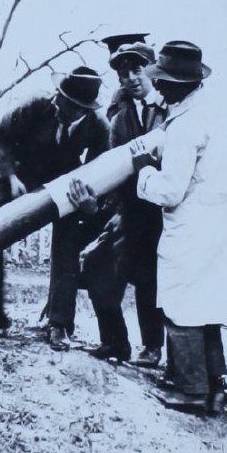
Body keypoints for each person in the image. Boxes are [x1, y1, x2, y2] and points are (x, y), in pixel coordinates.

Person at [130, 41, 227, 415]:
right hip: (222, 220)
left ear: (180, 84)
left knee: (180, 305)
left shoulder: (187, 125)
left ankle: (191, 390)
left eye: (165, 82)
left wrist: (144, 171)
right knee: (206, 305)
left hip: (192, 223)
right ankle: (214, 387)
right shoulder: (219, 107)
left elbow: (169, 191)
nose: (160, 88)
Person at [0, 68, 110, 351]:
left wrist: (89, 201)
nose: (62, 107)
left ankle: (59, 323)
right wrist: (11, 177)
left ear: (85, 109)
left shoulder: (98, 127)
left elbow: (100, 170)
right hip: (11, 169)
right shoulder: (34, 103)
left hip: (61, 179)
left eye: (73, 106)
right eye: (62, 98)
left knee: (67, 242)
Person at [82, 41, 166, 366]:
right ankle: (115, 342)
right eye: (123, 72)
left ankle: (153, 347)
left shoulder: (171, 109)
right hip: (131, 208)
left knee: (151, 278)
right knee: (97, 263)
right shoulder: (121, 119)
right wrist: (101, 206)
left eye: (137, 69)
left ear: (152, 69)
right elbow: (112, 166)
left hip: (165, 208)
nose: (130, 78)